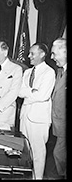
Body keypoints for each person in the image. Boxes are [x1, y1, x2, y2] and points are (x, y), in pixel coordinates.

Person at [18, 43, 56, 179]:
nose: (29, 56)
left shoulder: (49, 72)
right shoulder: (27, 72)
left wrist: (28, 94)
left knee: (38, 153)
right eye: (29, 53)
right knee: (26, 153)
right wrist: (31, 91)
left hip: (39, 119)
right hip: (25, 116)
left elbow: (43, 95)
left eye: (32, 53)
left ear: (42, 54)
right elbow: (19, 92)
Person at [50, 38, 67, 179]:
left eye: (54, 54)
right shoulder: (60, 71)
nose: (52, 57)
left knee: (58, 154)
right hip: (59, 124)